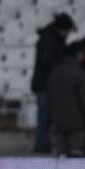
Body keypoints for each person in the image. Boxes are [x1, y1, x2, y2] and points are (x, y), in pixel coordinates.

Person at [31, 13, 75, 153]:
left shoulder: (51, 39)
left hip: (47, 85)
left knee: (47, 117)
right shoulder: (48, 41)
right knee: (44, 116)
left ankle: (44, 144)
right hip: (45, 86)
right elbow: (49, 62)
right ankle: (42, 145)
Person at [47, 40, 85, 156]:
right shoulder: (80, 74)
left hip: (58, 123)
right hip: (77, 125)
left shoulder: (54, 73)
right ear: (78, 55)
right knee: (75, 159)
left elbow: (49, 99)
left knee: (60, 159)